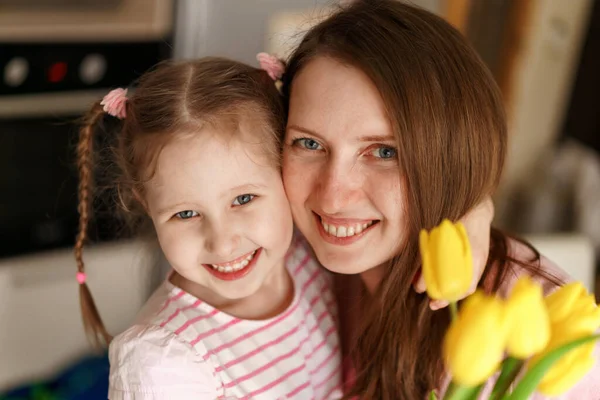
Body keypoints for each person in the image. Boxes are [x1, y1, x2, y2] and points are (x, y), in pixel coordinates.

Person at [279, 1, 600, 399]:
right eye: (308, 143)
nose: (332, 194)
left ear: (449, 157)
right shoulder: (290, 255)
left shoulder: (532, 344)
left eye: (383, 152)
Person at [74, 57, 343, 399]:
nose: (223, 243)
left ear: (287, 173)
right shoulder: (162, 363)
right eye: (186, 214)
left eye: (244, 199)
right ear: (147, 205)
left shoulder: (308, 256)